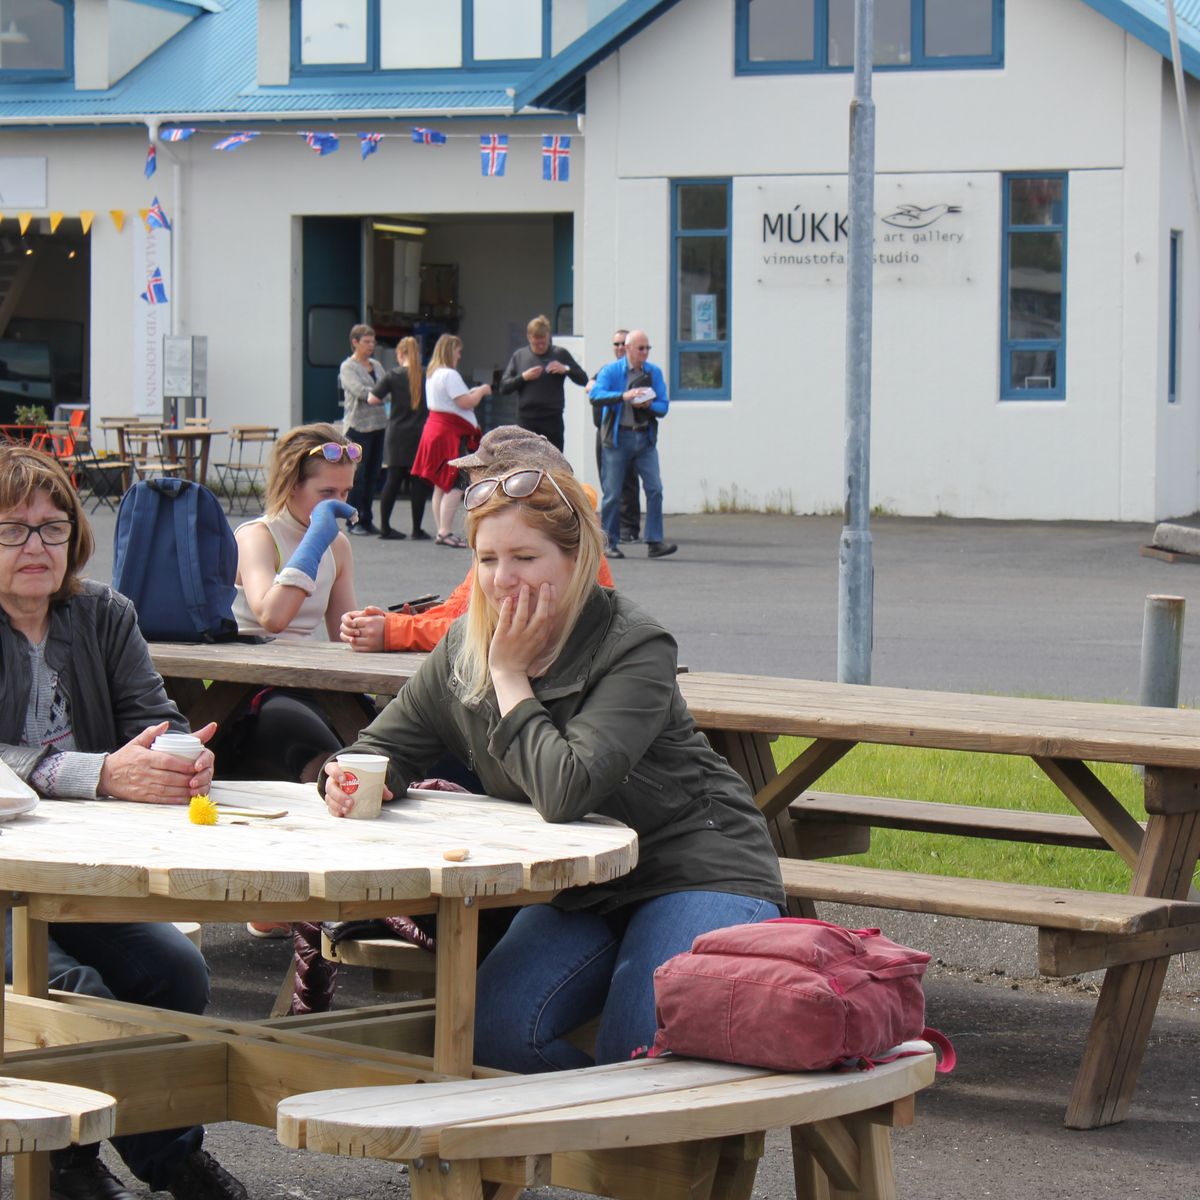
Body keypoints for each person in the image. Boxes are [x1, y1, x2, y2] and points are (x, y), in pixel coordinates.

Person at [321, 467, 784, 1072]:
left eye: (524, 557)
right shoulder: (463, 647)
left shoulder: (633, 646)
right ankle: (598, 1127)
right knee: (487, 1032)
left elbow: (565, 789)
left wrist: (509, 676)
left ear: (576, 558)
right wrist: (346, 779)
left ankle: (635, 1126)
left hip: (696, 869)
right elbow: (378, 749)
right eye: (487, 559)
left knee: (633, 1052)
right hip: (581, 885)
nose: (501, 578)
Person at [0, 444, 246, 1200]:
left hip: (83, 873)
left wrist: (181, 759)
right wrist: (98, 772)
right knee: (74, 988)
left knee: (176, 970)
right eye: (12, 530)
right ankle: (97, 1157)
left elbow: (157, 719)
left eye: (52, 527)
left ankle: (136, 1155)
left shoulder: (104, 614)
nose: (36, 546)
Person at [340, 426, 613, 654]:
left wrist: (394, 630)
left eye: (482, 488)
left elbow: (487, 630)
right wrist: (398, 620)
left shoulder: (552, 543)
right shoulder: (512, 540)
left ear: (520, 488)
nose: (473, 498)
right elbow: (461, 609)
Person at [226, 424, 362, 784]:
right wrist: (315, 540)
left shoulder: (338, 545)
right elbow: (272, 617)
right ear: (291, 485)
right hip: (254, 686)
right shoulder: (257, 536)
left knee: (378, 749)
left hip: (312, 681)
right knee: (326, 764)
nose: (337, 505)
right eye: (326, 493)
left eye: (345, 492)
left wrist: (385, 628)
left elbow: (345, 636)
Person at [591, 329, 677, 559]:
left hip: (644, 439)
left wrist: (648, 405)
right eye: (641, 348)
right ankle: (608, 544)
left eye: (648, 348)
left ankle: (654, 542)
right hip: (618, 439)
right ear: (627, 349)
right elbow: (595, 395)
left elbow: (664, 406)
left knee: (655, 489)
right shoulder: (611, 371)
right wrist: (624, 396)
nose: (645, 352)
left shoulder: (653, 372)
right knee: (612, 493)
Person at [411, 334, 490, 548]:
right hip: (449, 434)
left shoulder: (433, 375)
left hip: (436, 431)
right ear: (449, 352)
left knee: (441, 482)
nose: (459, 356)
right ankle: (445, 531)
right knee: (457, 480)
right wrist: (482, 390)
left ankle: (441, 530)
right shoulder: (449, 374)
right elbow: (466, 402)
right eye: (457, 351)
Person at [371, 335, 431, 541]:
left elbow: (372, 398)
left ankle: (385, 527)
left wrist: (391, 397)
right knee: (418, 481)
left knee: (393, 479)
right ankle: (417, 530)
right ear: (418, 354)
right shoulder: (427, 374)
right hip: (421, 433)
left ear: (400, 353)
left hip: (397, 433)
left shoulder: (392, 375)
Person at [500, 314, 588, 450]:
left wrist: (566, 369)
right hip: (527, 419)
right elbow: (504, 387)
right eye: (536, 344)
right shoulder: (520, 355)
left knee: (553, 460)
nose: (541, 347)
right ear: (529, 338)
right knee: (527, 458)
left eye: (544, 343)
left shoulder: (559, 353)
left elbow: (583, 379)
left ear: (548, 337)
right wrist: (523, 377)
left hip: (552, 419)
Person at [586, 328, 641, 542]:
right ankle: (613, 530)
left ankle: (629, 527)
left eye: (623, 343)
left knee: (628, 481)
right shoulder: (607, 370)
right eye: (616, 344)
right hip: (605, 432)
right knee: (609, 483)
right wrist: (594, 385)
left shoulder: (636, 372)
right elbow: (590, 387)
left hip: (625, 432)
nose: (619, 347)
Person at [339, 324, 387, 535]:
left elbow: (388, 389)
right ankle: (353, 521)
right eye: (367, 341)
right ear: (355, 342)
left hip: (379, 424)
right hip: (358, 426)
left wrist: (376, 394)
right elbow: (359, 391)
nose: (371, 345)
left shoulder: (376, 365)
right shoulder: (348, 367)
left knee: (372, 474)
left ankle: (367, 518)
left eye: (373, 341)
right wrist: (377, 393)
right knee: (357, 476)